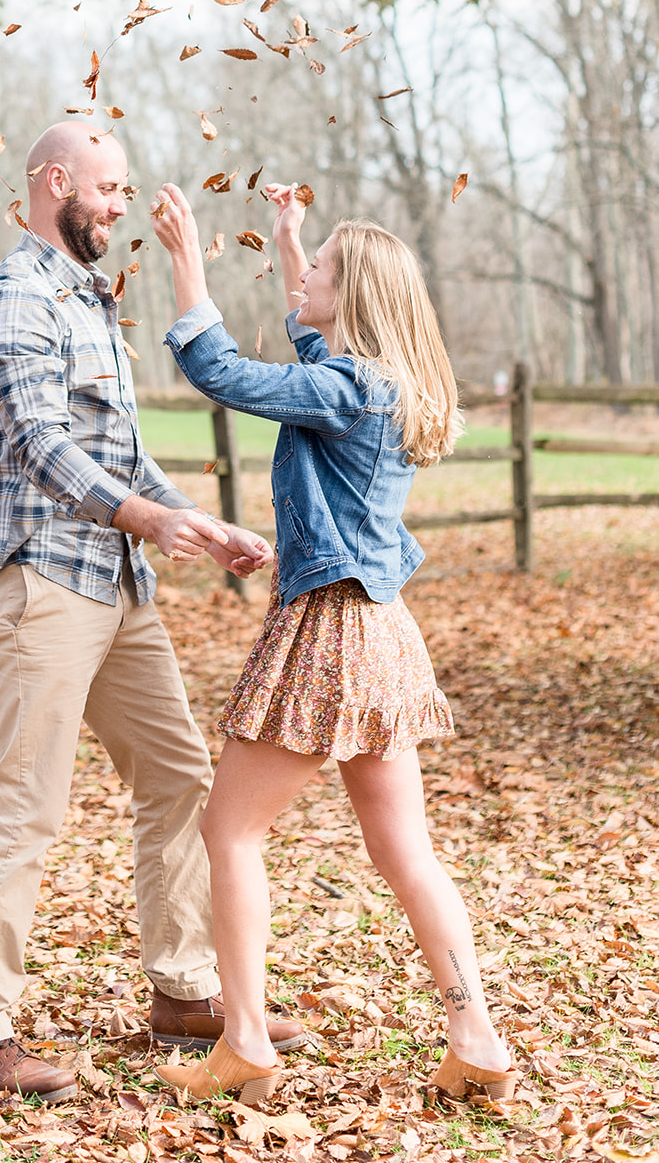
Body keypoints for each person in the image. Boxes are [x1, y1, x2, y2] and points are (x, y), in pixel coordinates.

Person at [0, 122, 306, 1102]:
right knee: (26, 800)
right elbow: (39, 446)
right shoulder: (16, 296)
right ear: (54, 181)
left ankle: (186, 988)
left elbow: (117, 449)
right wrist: (146, 515)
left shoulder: (93, 301)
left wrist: (196, 520)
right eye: (107, 188)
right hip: (42, 582)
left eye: (123, 189)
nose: (118, 205)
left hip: (117, 587)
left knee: (182, 777)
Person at [148, 179, 516, 1107]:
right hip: (384, 631)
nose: (303, 278)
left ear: (352, 295)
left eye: (317, 270)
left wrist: (187, 257)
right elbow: (310, 341)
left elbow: (224, 374)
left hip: (331, 634)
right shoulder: (378, 383)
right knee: (406, 850)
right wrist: (287, 237)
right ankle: (476, 1035)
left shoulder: (345, 389)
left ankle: (243, 1042)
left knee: (228, 830)